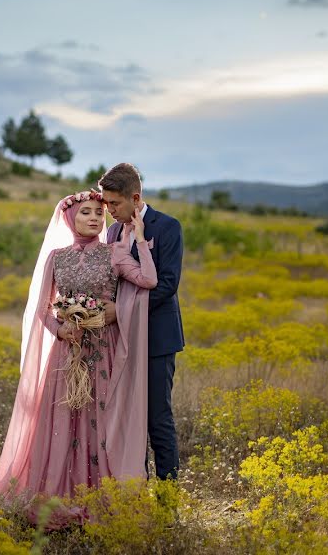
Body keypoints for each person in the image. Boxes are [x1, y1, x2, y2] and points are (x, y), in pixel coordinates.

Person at [0, 189, 157, 508]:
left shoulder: (115, 253)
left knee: (102, 419)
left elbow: (148, 280)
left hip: (104, 350)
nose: (94, 218)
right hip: (67, 353)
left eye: (99, 213)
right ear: (70, 218)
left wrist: (140, 237)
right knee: (63, 418)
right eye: (86, 212)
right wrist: (60, 329)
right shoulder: (57, 257)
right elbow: (41, 308)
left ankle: (99, 499)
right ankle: (57, 496)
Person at [99, 163, 184, 481]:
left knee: (156, 419)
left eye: (115, 204)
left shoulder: (167, 227)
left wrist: (119, 311)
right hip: (120, 341)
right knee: (125, 421)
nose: (108, 211)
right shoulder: (110, 233)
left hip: (157, 340)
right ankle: (134, 499)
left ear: (135, 198)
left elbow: (167, 285)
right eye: (105, 204)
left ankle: (166, 503)